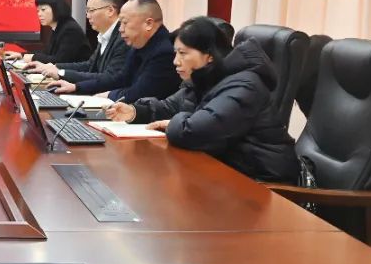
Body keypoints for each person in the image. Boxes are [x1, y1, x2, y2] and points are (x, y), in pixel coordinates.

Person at [105, 16, 298, 182]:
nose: (175, 61)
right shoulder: (205, 79)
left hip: (263, 184)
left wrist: (175, 122)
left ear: (209, 56)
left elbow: (195, 131)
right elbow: (169, 107)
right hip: (226, 174)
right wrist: (135, 112)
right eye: (175, 53)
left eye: (183, 53)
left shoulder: (245, 85)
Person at [48, 0, 181, 102]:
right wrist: (77, 87)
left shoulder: (164, 52)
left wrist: (108, 95)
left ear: (148, 24)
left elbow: (139, 93)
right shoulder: (139, 44)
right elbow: (119, 79)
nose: (121, 29)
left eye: (125, 23)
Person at [26, 0, 129, 83]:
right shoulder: (104, 35)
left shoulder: (123, 37)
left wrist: (61, 73)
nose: (88, 16)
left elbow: (110, 78)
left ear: (110, 11)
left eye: (91, 10)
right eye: (87, 11)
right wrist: (56, 67)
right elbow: (90, 65)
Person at [4, 0, 91, 64]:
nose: (39, 14)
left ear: (57, 8)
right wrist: (21, 55)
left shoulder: (70, 29)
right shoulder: (58, 26)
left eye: (43, 10)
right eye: (38, 11)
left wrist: (32, 57)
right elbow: (47, 53)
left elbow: (60, 61)